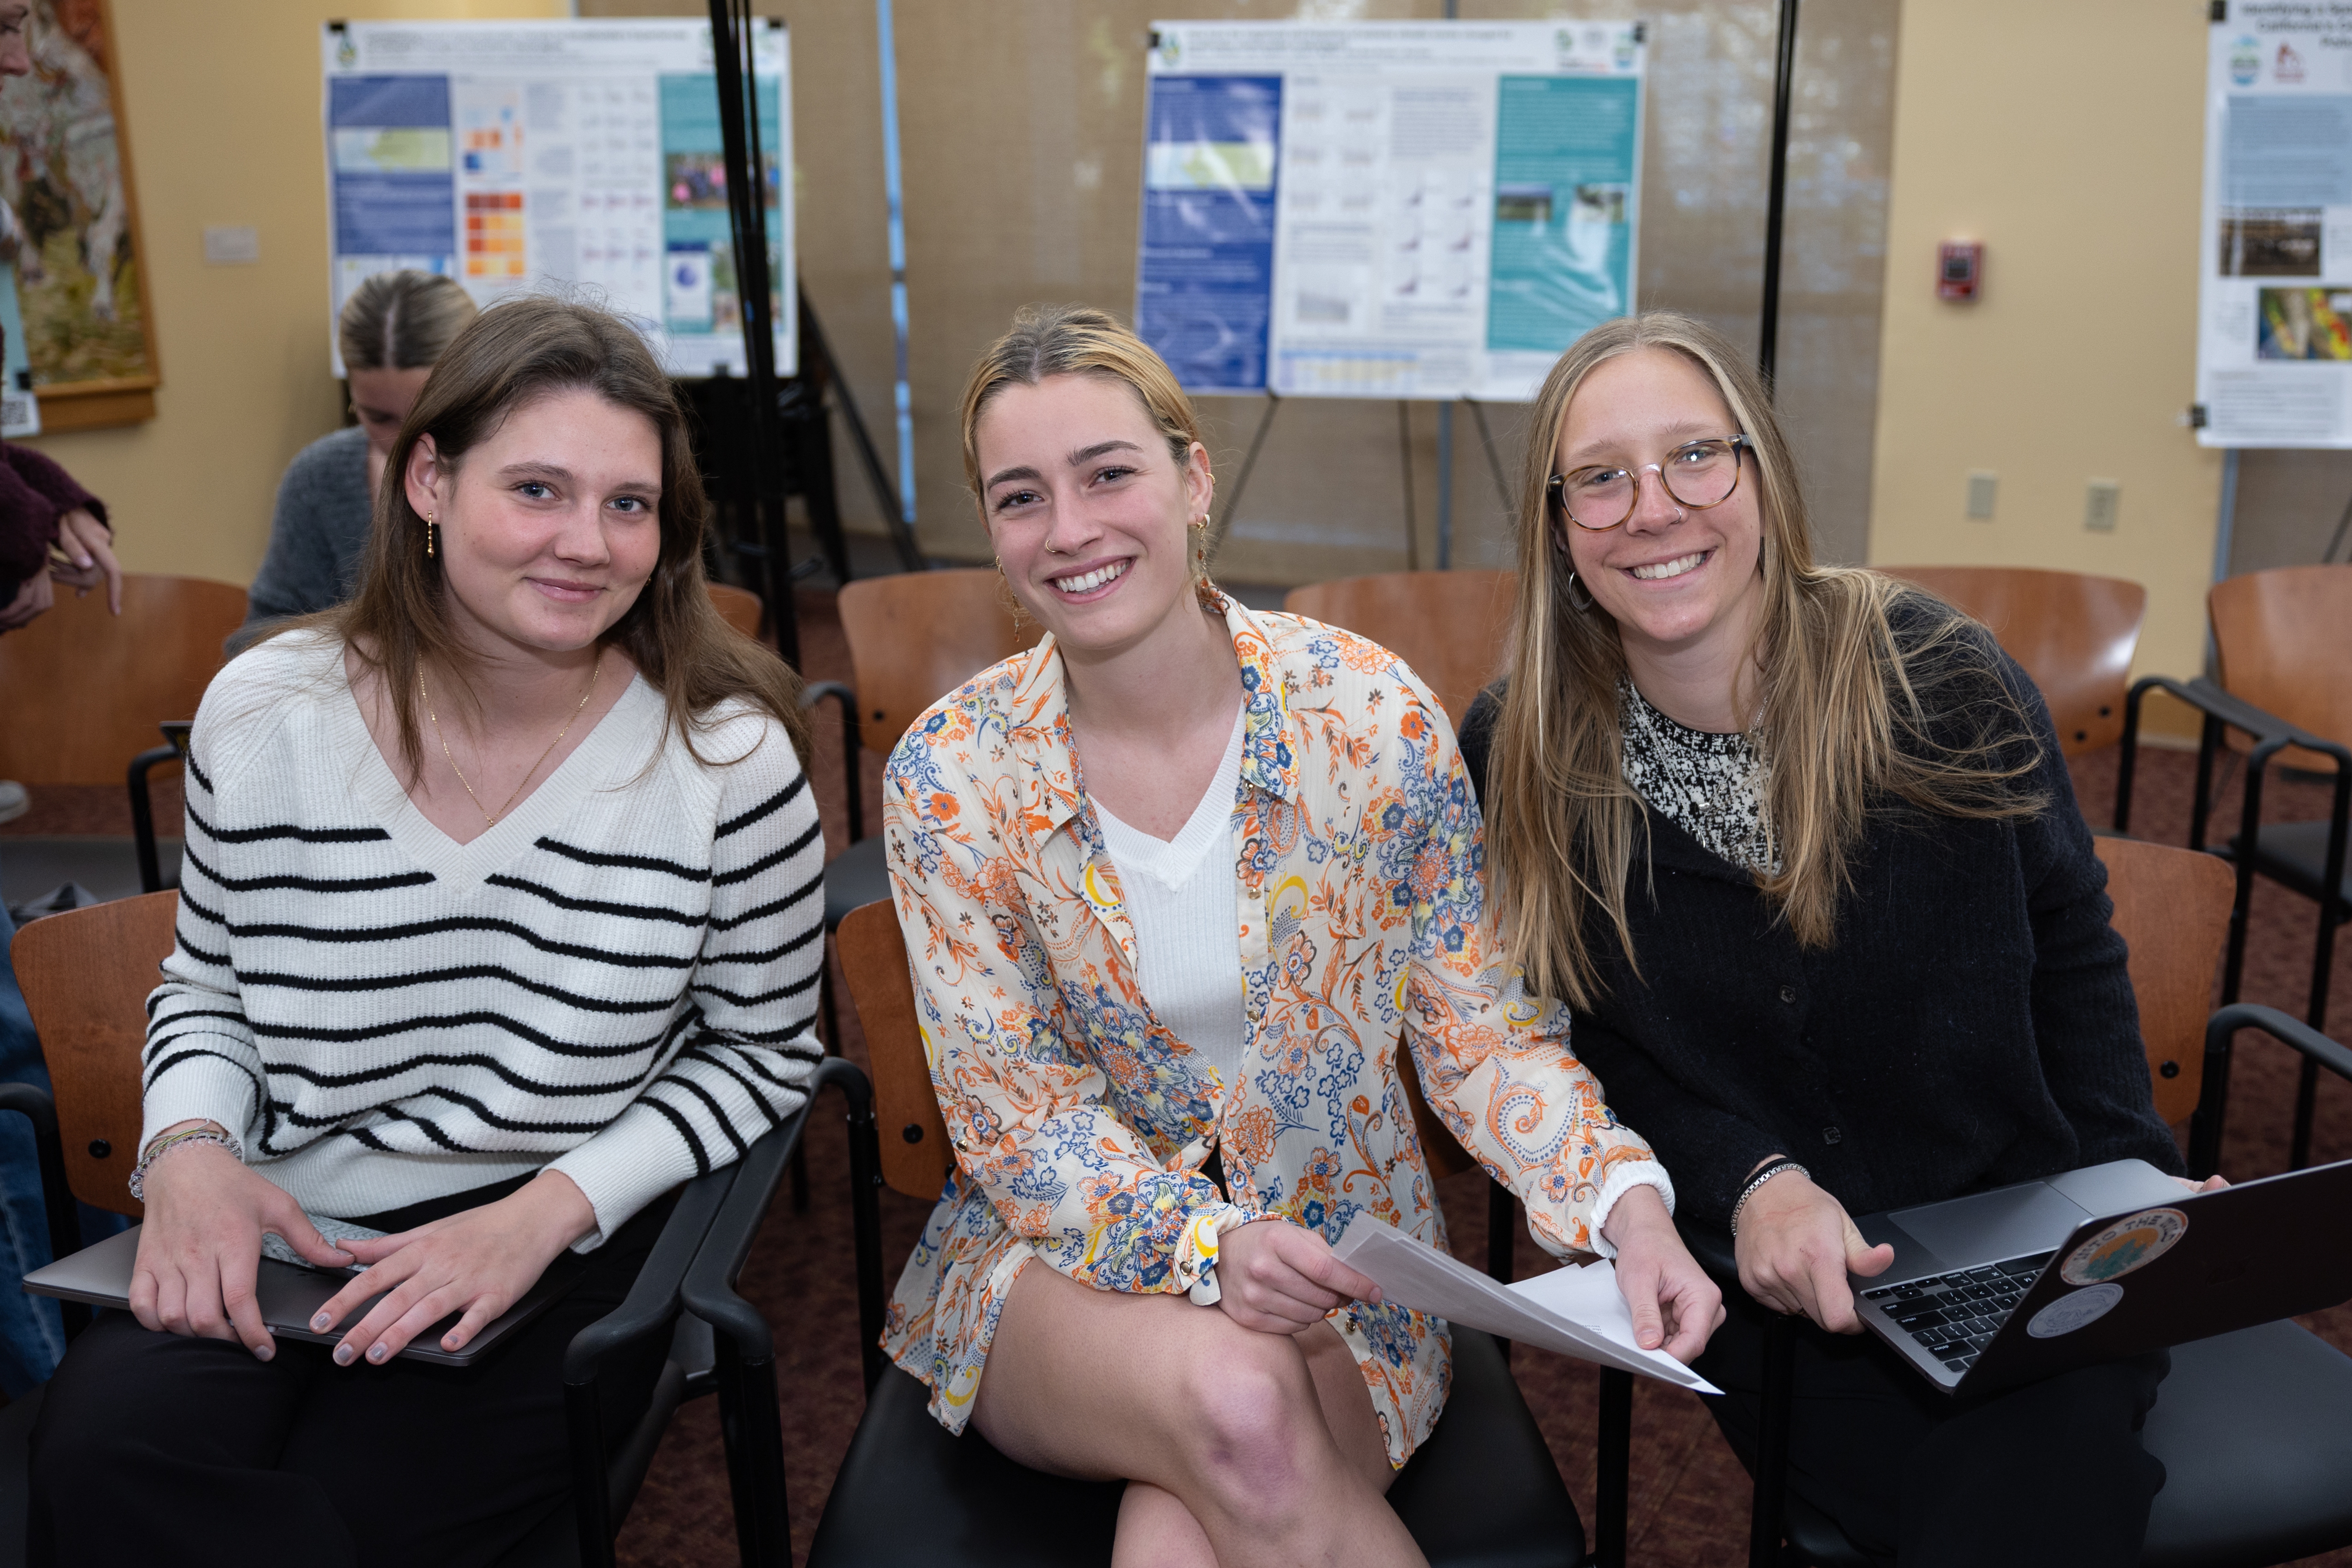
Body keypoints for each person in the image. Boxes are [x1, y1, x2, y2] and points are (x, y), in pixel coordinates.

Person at [880, 303, 1721, 1568]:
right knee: (1233, 1392)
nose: (1068, 530)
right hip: (1053, 1276)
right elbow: (1018, 1118)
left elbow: (1475, 1027)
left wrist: (1622, 1202)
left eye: (1107, 473)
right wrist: (1208, 1245)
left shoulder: (1366, 715)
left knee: (1183, 1523)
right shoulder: (949, 771)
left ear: (1191, 475)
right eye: (1019, 497)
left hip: (1343, 1281)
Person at [27, 296, 826, 1566]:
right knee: (98, 1457)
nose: (588, 544)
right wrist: (186, 1152)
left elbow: (766, 1057)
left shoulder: (726, 761)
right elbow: (210, 988)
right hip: (284, 1212)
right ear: (428, 482)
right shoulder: (265, 710)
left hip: (558, 1232)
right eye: (540, 490)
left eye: (629, 504)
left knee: (362, 1521)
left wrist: (546, 1212)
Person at [1457, 310, 2207, 1568]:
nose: (1652, 507)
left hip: (2018, 1241)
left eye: (1695, 455)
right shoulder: (1523, 748)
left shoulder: (1938, 680)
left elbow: (2069, 945)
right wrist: (1750, 1178)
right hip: (1784, 1291)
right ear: (1554, 522)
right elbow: (1587, 1043)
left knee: (2019, 1476)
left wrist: (2124, 1186)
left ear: (1760, 472)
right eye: (1598, 477)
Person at [236, 270, 479, 643]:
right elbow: (263, 634)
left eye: (427, 416)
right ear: (351, 396)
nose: (404, 441)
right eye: (379, 417)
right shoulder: (320, 478)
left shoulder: (529, 478)